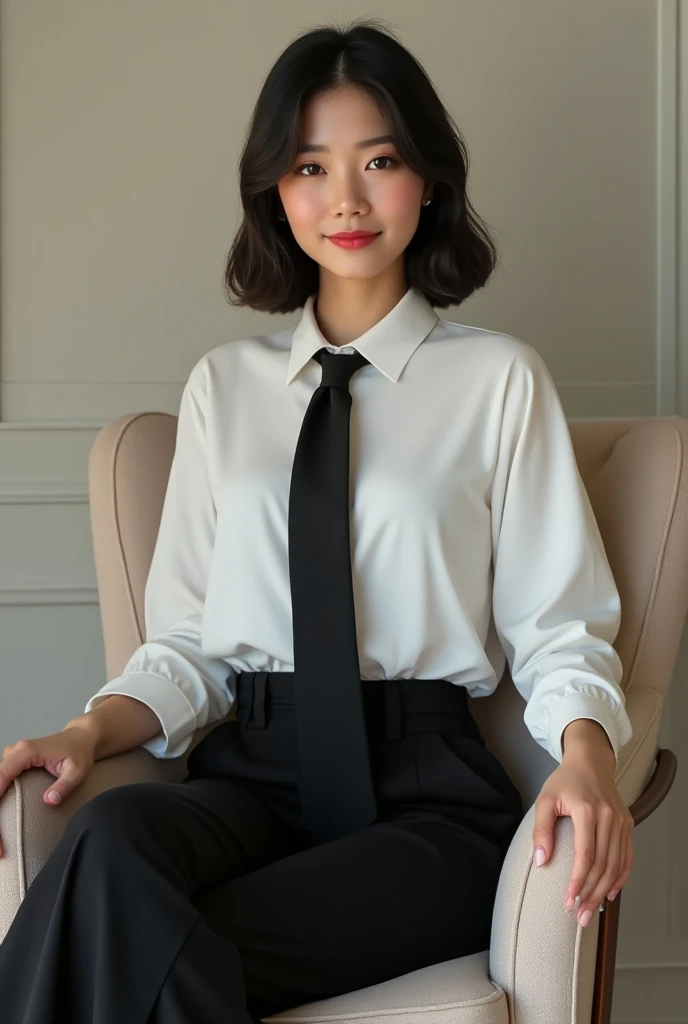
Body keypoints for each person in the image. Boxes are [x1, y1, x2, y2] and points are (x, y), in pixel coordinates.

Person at [0, 16, 635, 1024]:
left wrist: (590, 756)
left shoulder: (498, 381)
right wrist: (87, 729)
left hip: (427, 796)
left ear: (426, 178)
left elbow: (557, 626)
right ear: (273, 191)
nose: (342, 198)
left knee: (121, 931)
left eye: (377, 160)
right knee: (110, 843)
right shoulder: (224, 387)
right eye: (307, 166)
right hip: (250, 774)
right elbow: (188, 646)